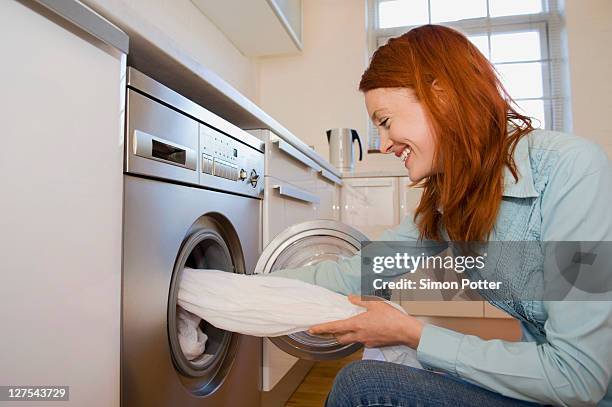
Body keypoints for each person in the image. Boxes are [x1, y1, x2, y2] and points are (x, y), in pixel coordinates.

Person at [271, 25, 612, 406]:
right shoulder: (452, 200)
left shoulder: (572, 171)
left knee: (361, 386)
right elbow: (361, 269)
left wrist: (413, 334)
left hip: (581, 394)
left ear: (441, 97)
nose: (382, 144)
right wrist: (252, 286)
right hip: (548, 386)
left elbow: (579, 377)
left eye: (384, 121)